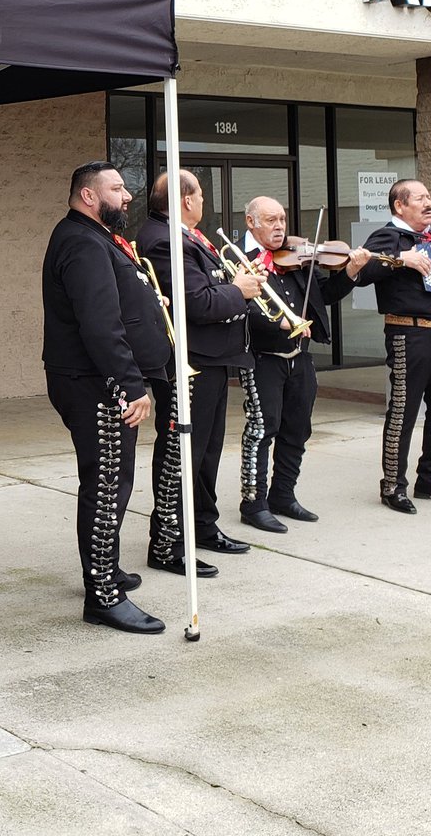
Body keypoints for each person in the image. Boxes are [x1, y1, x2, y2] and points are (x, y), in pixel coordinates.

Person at [42, 161, 170, 635]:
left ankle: (105, 571)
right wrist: (132, 385)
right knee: (106, 486)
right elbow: (99, 323)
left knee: (112, 481)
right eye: (117, 188)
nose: (128, 196)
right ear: (89, 196)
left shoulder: (93, 237)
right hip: (95, 383)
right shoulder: (80, 241)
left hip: (96, 379)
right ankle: (103, 596)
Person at [136, 171, 261, 577]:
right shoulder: (163, 239)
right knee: (180, 454)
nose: (203, 203)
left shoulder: (185, 236)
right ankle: (167, 543)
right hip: (191, 363)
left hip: (213, 358)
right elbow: (195, 302)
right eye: (201, 196)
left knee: (206, 452)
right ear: (186, 201)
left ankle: (202, 526)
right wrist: (238, 290)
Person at [237, 197, 369, 531]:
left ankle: (284, 494)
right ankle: (254, 503)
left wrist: (351, 271)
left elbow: (322, 295)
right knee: (261, 429)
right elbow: (236, 308)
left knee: (298, 428)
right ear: (251, 221)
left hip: (300, 356)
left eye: (282, 219)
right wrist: (277, 323)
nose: (280, 226)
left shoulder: (296, 259)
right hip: (261, 359)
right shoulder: (238, 257)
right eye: (271, 220)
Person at [356, 179, 431, 512]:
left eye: (429, 197)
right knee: (403, 413)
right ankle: (393, 486)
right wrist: (400, 259)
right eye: (420, 198)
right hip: (411, 335)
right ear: (399, 205)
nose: (429, 202)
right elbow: (363, 270)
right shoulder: (388, 237)